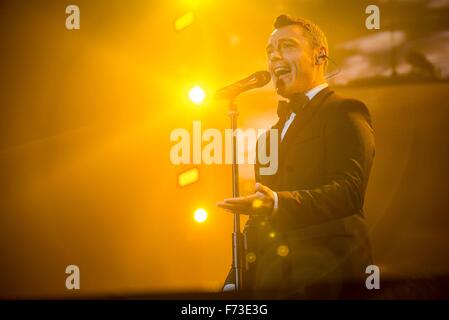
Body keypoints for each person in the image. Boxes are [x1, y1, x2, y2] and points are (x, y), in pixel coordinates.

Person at [217, 14, 375, 298]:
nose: (275, 55)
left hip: (332, 279)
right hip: (275, 283)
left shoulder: (345, 111)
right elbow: (257, 219)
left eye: (287, 45)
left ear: (320, 55)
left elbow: (348, 192)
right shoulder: (268, 138)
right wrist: (233, 279)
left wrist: (277, 202)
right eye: (269, 51)